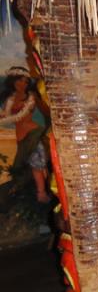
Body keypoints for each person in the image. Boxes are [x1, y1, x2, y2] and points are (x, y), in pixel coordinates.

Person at [0, 66, 49, 203]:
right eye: (20, 80)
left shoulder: (31, 97)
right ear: (13, 80)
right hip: (21, 136)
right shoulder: (10, 98)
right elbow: (7, 115)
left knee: (36, 164)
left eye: (26, 81)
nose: (23, 84)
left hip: (34, 134)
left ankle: (41, 194)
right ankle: (34, 190)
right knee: (26, 166)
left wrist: (2, 120)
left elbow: (18, 117)